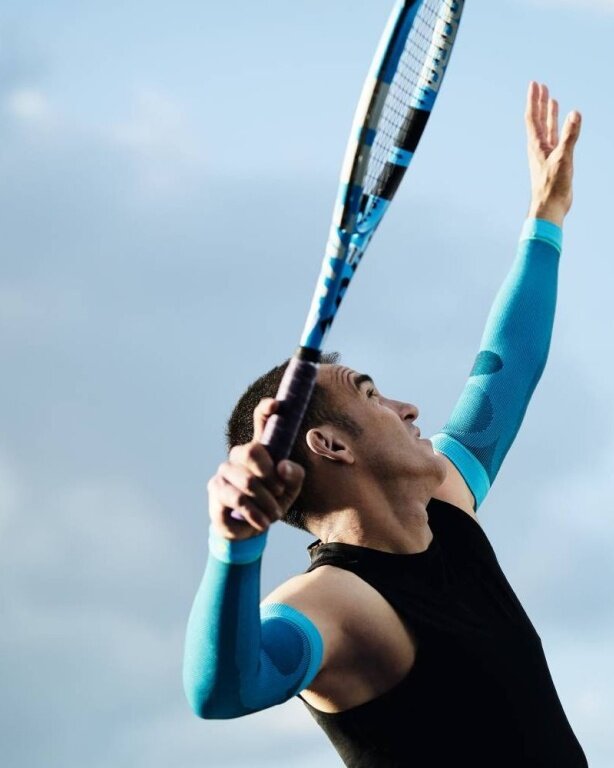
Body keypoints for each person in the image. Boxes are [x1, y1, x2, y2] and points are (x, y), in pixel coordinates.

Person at [184, 81, 587, 767]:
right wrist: (234, 545)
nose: (408, 409)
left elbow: (507, 369)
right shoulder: (336, 603)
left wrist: (546, 217)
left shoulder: (444, 508)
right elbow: (223, 691)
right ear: (331, 444)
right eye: (370, 394)